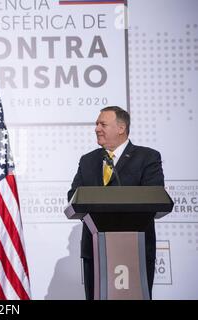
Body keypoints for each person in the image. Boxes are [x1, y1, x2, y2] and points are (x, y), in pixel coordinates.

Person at [67, 106, 164, 300]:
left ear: (121, 128)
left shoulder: (147, 157)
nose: (97, 128)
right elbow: (73, 196)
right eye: (96, 124)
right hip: (95, 250)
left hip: (136, 248)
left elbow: (154, 196)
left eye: (102, 124)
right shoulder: (88, 160)